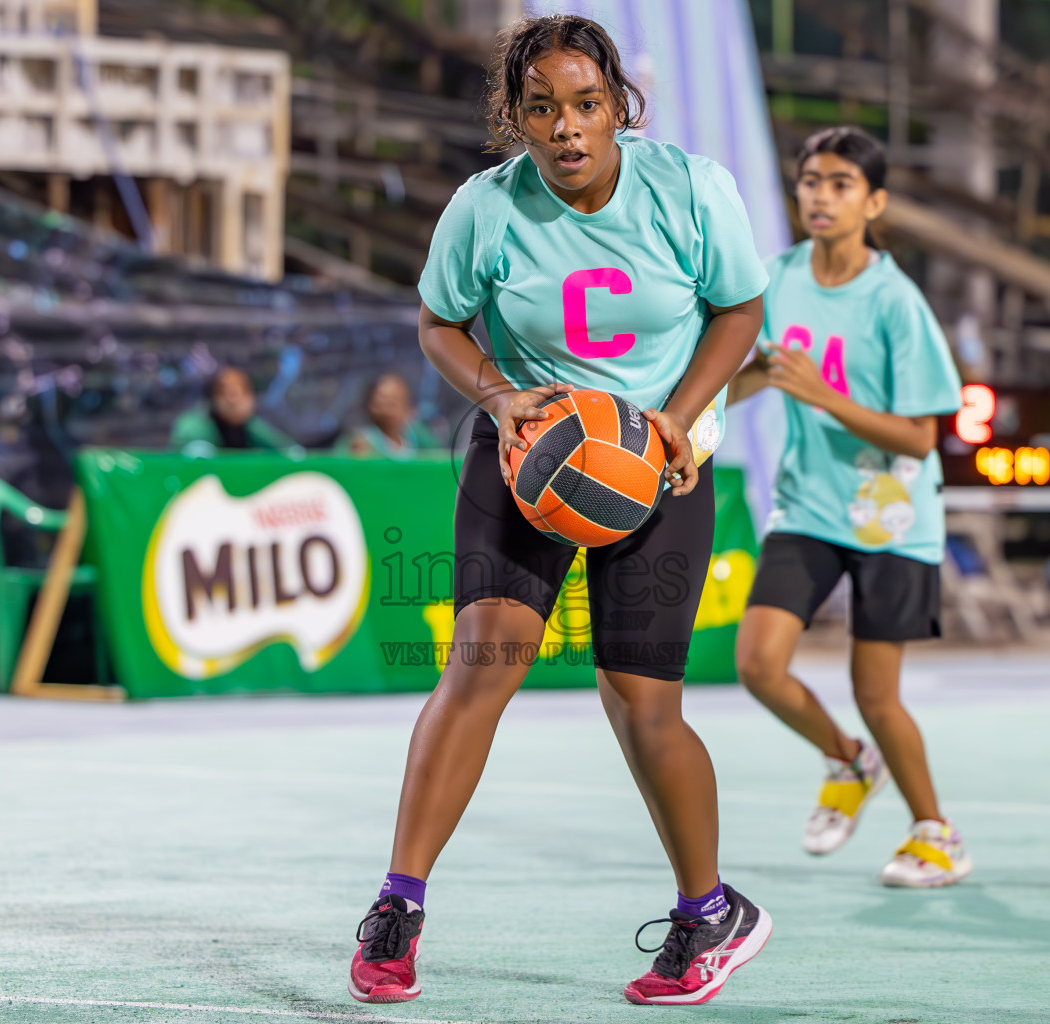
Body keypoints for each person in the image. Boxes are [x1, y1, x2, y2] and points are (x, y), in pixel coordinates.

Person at [348, 14, 772, 1007]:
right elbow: (440, 322)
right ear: (517, 118)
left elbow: (741, 310)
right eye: (543, 108)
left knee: (640, 703)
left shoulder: (690, 190)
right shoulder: (484, 209)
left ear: (620, 106)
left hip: (655, 465)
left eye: (586, 105)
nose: (567, 127)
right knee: (480, 664)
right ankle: (398, 906)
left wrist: (675, 417)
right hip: (525, 452)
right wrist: (499, 397)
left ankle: (708, 910)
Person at [728, 126, 970, 888]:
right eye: (810, 181)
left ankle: (935, 831)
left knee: (877, 693)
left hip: (891, 514)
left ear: (875, 202)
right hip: (807, 507)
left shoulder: (896, 302)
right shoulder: (773, 281)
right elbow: (739, 377)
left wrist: (823, 397)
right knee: (758, 665)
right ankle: (845, 759)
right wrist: (711, 397)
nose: (820, 196)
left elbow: (922, 436)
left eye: (840, 183)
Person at [169, 365, 297, 453]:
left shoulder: (252, 427)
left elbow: (291, 453)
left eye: (241, 392)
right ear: (214, 398)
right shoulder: (194, 426)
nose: (233, 400)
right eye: (225, 393)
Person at [336, 371, 442, 456]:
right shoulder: (362, 442)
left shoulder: (416, 436)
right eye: (383, 402)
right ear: (372, 405)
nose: (388, 410)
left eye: (395, 403)